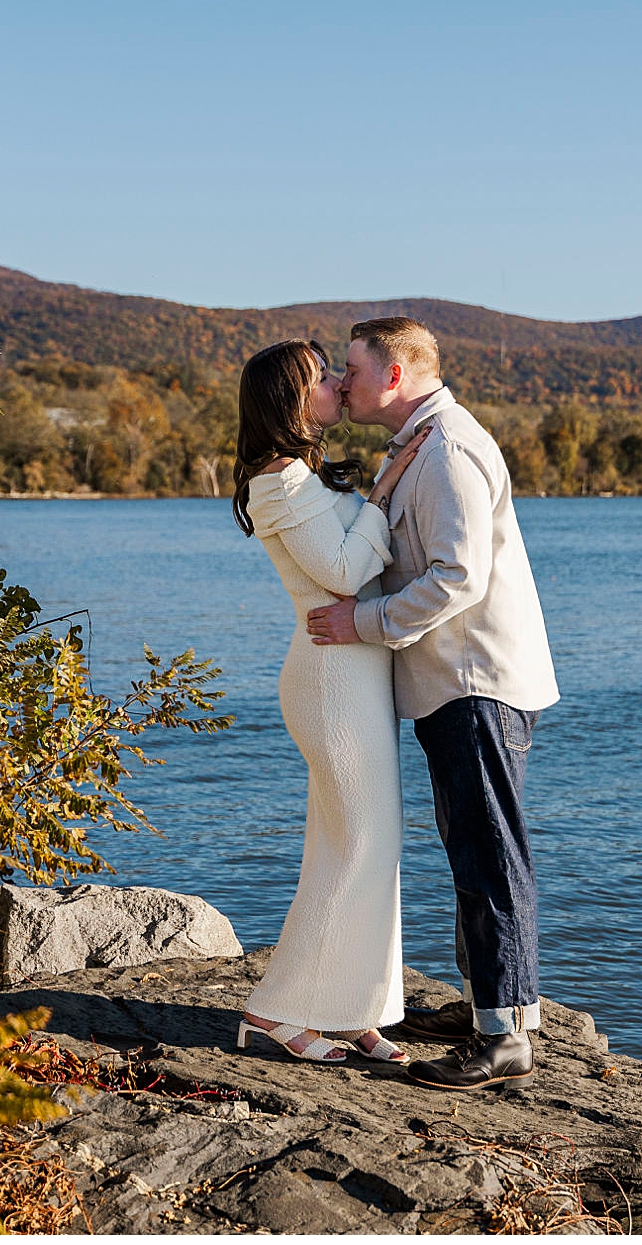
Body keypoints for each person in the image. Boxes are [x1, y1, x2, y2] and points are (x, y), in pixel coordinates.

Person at [307, 316, 560, 1093]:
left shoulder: (447, 447)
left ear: (392, 375)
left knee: (488, 852)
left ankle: (507, 1037)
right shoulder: (419, 442)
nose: (342, 382)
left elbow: (458, 578)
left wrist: (363, 623)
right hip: (454, 681)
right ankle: (494, 1007)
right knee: (471, 849)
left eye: (351, 368)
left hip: (475, 680)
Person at [232, 339, 434, 1065]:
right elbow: (346, 575)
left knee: (363, 848)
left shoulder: (303, 474)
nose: (335, 386)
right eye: (321, 379)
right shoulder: (280, 481)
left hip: (355, 677)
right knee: (357, 849)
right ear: (290, 399)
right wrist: (381, 498)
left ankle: (353, 1010)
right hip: (329, 680)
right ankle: (272, 1012)